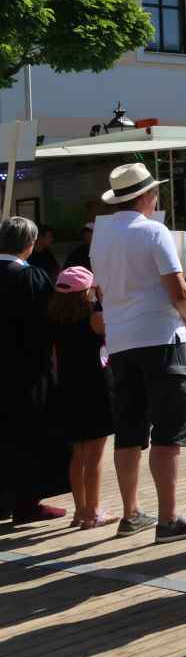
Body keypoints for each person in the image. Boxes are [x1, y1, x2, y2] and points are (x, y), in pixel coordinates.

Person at [91, 163, 186, 543]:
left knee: (129, 430)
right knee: (169, 430)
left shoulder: (101, 236)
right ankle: (168, 518)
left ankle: (131, 513)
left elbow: (103, 292)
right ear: (145, 196)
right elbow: (178, 289)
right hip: (159, 337)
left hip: (122, 341)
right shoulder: (153, 230)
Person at [0, 216, 67, 525]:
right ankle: (26, 503)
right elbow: (51, 324)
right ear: (29, 244)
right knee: (26, 437)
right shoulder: (31, 278)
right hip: (26, 371)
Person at [46, 266, 115, 528]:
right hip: (95, 387)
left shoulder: (54, 317)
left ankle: (80, 511)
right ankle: (93, 511)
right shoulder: (94, 317)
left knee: (77, 454)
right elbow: (112, 334)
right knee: (94, 455)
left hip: (68, 387)